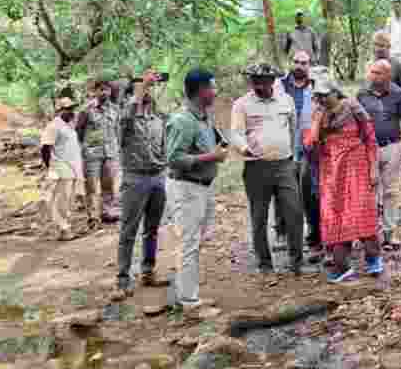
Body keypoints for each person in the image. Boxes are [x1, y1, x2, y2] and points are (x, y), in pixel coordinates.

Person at [231, 63, 305, 275]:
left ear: (272, 81)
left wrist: (292, 156)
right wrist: (245, 148)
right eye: (254, 80)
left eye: (262, 80)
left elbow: (293, 128)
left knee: (293, 211)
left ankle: (296, 261)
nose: (258, 84)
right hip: (256, 167)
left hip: (284, 164)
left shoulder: (286, 100)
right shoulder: (242, 104)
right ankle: (264, 263)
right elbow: (236, 133)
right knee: (259, 215)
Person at [165, 69, 228, 312]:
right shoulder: (182, 121)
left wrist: (219, 146)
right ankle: (189, 302)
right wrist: (211, 156)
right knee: (188, 243)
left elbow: (208, 144)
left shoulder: (204, 117)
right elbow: (173, 158)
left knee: (194, 242)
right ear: (201, 90)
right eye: (212, 87)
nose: (216, 91)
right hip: (186, 188)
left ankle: (187, 294)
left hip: (203, 187)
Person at [307, 76, 381, 282]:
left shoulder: (353, 107)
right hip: (331, 170)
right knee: (335, 215)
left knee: (361, 211)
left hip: (356, 166)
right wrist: (316, 124)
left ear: (335, 92)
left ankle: (373, 258)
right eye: (318, 96)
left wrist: (373, 168)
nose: (321, 99)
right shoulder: (319, 115)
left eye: (324, 95)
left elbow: (370, 138)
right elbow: (311, 143)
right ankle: (342, 266)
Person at [112, 70, 169, 301]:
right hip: (134, 179)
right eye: (139, 89)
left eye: (147, 89)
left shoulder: (158, 119)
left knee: (152, 229)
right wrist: (141, 88)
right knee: (129, 231)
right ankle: (122, 279)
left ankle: (147, 271)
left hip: (157, 178)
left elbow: (163, 147)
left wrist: (164, 168)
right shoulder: (125, 119)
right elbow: (127, 114)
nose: (145, 92)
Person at [357, 59, 401, 249]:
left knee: (390, 191)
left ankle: (389, 234)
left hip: (392, 147)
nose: (372, 76)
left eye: (377, 73)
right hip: (368, 149)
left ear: (388, 76)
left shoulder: (399, 94)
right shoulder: (361, 94)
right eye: (371, 72)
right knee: (370, 192)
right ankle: (370, 233)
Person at [281, 51, 321, 250]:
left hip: (307, 147)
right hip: (283, 145)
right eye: (296, 62)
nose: (299, 66)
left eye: (303, 63)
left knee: (308, 190)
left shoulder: (317, 85)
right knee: (282, 191)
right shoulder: (279, 85)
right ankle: (284, 232)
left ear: (309, 65)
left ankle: (313, 231)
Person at [75, 79, 121, 224]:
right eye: (100, 89)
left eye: (107, 89)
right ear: (94, 92)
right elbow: (79, 131)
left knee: (109, 185)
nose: (104, 92)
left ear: (110, 91)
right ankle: (93, 216)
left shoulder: (115, 109)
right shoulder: (86, 110)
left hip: (110, 154)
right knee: (92, 186)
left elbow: (117, 130)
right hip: (92, 155)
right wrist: (85, 148)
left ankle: (107, 212)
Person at [40, 97, 85, 242]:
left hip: (72, 168)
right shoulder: (53, 126)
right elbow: (45, 148)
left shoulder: (68, 126)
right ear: (59, 110)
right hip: (61, 166)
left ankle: (66, 227)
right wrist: (51, 167)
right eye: (68, 109)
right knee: (61, 199)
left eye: (72, 108)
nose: (71, 111)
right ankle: (63, 229)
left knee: (68, 199)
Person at [372, 31, 401, 102]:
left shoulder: (399, 66)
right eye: (376, 45)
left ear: (389, 47)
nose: (377, 49)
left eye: (381, 46)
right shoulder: (370, 66)